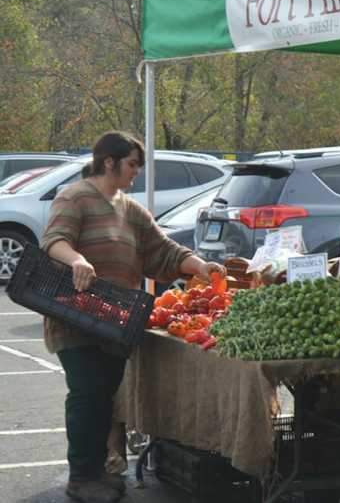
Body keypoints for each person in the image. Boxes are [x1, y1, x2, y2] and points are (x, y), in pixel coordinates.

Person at [42, 131, 225, 503]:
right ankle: (81, 478)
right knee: (87, 393)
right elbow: (54, 240)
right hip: (73, 318)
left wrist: (201, 266)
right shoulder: (74, 197)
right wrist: (77, 260)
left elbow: (165, 251)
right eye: (132, 165)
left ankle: (96, 472)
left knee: (103, 396)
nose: (136, 173)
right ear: (108, 162)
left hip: (115, 323)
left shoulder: (130, 209)